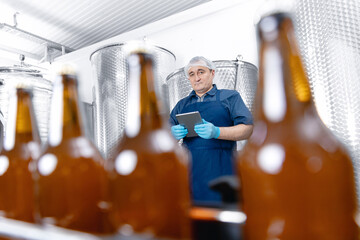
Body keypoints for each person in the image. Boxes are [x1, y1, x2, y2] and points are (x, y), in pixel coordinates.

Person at [169, 56, 254, 203]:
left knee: (222, 214)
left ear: (212, 73)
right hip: (190, 173)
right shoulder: (181, 105)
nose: (197, 78)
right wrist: (171, 135)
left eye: (201, 72)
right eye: (191, 74)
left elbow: (248, 129)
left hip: (222, 170)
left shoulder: (230, 97)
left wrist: (217, 132)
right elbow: (163, 139)